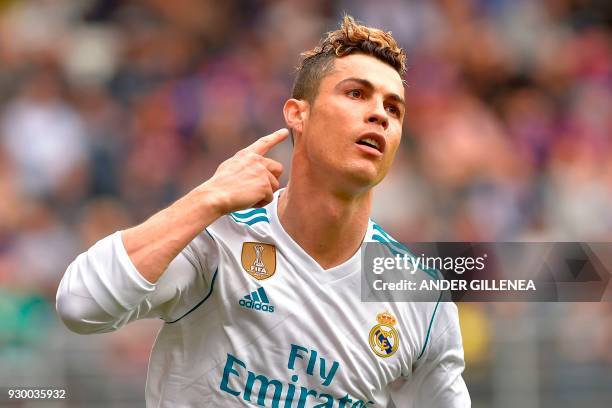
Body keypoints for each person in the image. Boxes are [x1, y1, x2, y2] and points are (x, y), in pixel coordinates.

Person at [56, 16, 470, 407]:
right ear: (297, 115)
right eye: (356, 93)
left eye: (393, 108)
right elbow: (81, 305)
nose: (379, 113)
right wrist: (207, 198)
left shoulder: (419, 295)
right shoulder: (217, 236)